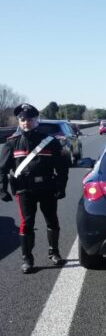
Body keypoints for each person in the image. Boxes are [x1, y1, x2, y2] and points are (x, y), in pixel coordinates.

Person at [0, 104, 70, 273]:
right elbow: (2, 169)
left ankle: (54, 253)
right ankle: (27, 259)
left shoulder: (50, 142)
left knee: (52, 220)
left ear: (36, 120)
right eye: (23, 120)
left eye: (30, 119)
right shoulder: (11, 144)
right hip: (25, 190)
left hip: (47, 187)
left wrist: (61, 186)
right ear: (19, 121)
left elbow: (62, 167)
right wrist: (2, 189)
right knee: (27, 223)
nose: (26, 122)